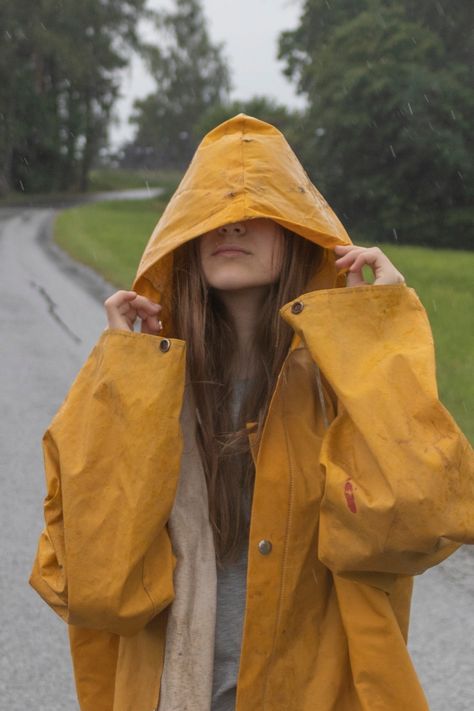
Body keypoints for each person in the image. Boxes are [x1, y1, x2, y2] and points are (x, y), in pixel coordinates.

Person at [30, 114, 474, 711]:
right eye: (212, 209)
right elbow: (93, 580)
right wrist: (127, 375)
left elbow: (418, 520)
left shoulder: (340, 383)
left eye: (258, 207)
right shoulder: (146, 379)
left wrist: (376, 333)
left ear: (297, 230)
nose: (232, 222)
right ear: (185, 232)